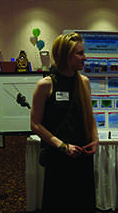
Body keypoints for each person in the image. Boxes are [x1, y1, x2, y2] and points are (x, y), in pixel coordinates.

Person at [30, 33, 98, 212]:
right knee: (59, 204)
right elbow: (35, 124)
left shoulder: (84, 82)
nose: (85, 57)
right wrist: (62, 146)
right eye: (80, 53)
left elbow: (89, 115)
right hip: (59, 157)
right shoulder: (45, 84)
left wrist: (95, 139)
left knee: (83, 203)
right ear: (65, 56)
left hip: (82, 155)